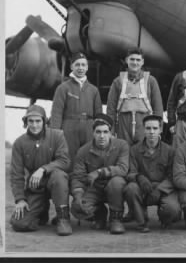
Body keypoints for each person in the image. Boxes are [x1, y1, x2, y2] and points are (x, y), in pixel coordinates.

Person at [9, 105, 72, 236]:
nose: (34, 125)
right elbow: (16, 175)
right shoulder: (19, 143)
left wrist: (43, 169)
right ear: (26, 122)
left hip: (55, 182)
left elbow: (64, 161)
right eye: (30, 121)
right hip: (36, 186)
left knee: (59, 176)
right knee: (20, 223)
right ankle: (41, 211)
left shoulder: (57, 135)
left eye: (38, 121)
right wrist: (20, 199)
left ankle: (63, 219)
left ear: (44, 121)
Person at [70, 113, 129, 234]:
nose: (102, 136)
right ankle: (99, 213)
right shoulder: (83, 151)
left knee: (117, 182)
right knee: (77, 209)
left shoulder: (121, 145)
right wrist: (78, 195)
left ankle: (116, 218)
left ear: (111, 133)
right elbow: (78, 177)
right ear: (93, 133)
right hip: (94, 188)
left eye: (105, 132)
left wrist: (99, 172)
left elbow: (123, 168)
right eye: (98, 132)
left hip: (114, 188)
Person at [123, 115, 182, 232]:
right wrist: (139, 177)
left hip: (163, 189)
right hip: (143, 188)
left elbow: (173, 176)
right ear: (143, 130)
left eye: (155, 128)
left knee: (172, 210)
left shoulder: (170, 151)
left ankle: (166, 219)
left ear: (160, 130)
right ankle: (141, 221)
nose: (151, 132)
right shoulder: (134, 150)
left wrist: (160, 189)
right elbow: (130, 172)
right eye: (148, 128)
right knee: (130, 188)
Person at [50, 52, 103, 171]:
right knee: (69, 159)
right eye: (77, 65)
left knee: (90, 159)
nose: (80, 68)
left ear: (87, 67)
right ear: (71, 67)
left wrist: (99, 133)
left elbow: (98, 115)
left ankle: (86, 186)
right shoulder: (63, 88)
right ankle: (69, 185)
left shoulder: (94, 90)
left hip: (89, 128)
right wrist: (55, 135)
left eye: (83, 65)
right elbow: (56, 113)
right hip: (69, 127)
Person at [107, 47, 163, 146]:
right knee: (123, 154)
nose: (135, 62)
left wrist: (159, 129)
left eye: (138, 60)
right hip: (123, 123)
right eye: (132, 59)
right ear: (126, 60)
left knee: (143, 155)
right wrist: (111, 130)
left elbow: (158, 108)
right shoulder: (117, 81)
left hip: (144, 123)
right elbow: (110, 109)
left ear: (142, 62)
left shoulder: (151, 81)